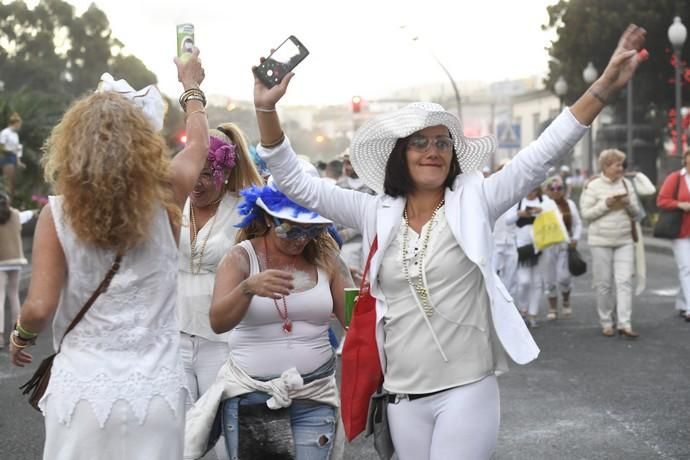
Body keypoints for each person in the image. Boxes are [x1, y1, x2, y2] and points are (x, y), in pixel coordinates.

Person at [251, 24, 647, 459]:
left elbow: (542, 154)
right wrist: (265, 109)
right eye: (419, 143)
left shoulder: (476, 199)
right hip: (402, 397)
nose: (432, 151)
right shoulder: (375, 211)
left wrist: (604, 87)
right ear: (401, 154)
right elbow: (295, 183)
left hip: (466, 389)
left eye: (442, 143)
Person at [9, 50, 208, 459]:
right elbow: (199, 147)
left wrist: (20, 336)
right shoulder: (168, 201)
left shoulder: (57, 214)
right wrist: (192, 86)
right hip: (157, 389)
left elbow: (39, 306)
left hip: (82, 391)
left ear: (73, 145)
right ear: (144, 144)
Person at [183, 184, 353, 460]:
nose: (300, 239)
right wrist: (247, 288)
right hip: (253, 396)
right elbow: (218, 322)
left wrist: (370, 294)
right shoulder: (240, 257)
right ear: (265, 219)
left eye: (310, 230)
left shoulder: (328, 259)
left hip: (315, 394)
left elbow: (355, 322)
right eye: (290, 229)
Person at [177, 123, 263, 460]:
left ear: (225, 172)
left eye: (207, 174)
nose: (196, 183)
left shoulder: (245, 210)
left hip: (226, 340)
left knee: (226, 443)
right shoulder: (173, 203)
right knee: (179, 438)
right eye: (192, 172)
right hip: (174, 335)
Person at [580, 148, 642, 338]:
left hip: (624, 239)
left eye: (622, 165)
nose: (621, 168)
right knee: (604, 284)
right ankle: (606, 321)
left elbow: (637, 213)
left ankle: (625, 324)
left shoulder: (626, 184)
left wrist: (628, 204)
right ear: (606, 167)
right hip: (600, 241)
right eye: (617, 165)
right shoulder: (593, 186)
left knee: (624, 282)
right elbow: (586, 215)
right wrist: (605, 204)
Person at [657, 149, 690, 323]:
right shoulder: (675, 178)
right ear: (685, 160)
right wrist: (680, 204)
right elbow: (661, 200)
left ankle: (682, 302)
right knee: (686, 268)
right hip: (680, 231)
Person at [543, 175, 582, 319]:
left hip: (564, 245)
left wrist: (575, 238)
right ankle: (552, 307)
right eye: (552, 188)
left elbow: (578, 224)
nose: (556, 191)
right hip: (547, 246)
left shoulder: (570, 204)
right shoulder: (543, 205)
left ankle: (566, 300)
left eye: (559, 188)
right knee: (549, 278)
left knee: (564, 277)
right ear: (547, 190)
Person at [0, 192, 34, 348]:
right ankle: (16, 333)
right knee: (14, 296)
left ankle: (0, 336)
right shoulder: (15, 215)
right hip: (16, 261)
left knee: (0, 298)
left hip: (1, 262)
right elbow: (29, 214)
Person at [514, 186, 551, 328]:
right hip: (522, 246)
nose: (531, 192)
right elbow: (507, 220)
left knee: (537, 282)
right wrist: (520, 214)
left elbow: (554, 215)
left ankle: (533, 314)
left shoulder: (544, 200)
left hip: (541, 245)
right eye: (528, 189)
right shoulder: (517, 201)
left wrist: (540, 211)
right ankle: (523, 309)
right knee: (524, 281)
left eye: (534, 189)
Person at [0, 112, 24, 197]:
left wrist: (19, 161)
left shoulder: (15, 135)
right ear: (15, 123)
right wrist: (10, 151)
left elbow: (18, 148)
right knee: (8, 181)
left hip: (14, 157)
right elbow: (1, 147)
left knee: (13, 182)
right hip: (7, 156)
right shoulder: (5, 132)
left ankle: (10, 201)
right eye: (19, 124)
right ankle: (6, 202)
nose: (20, 126)